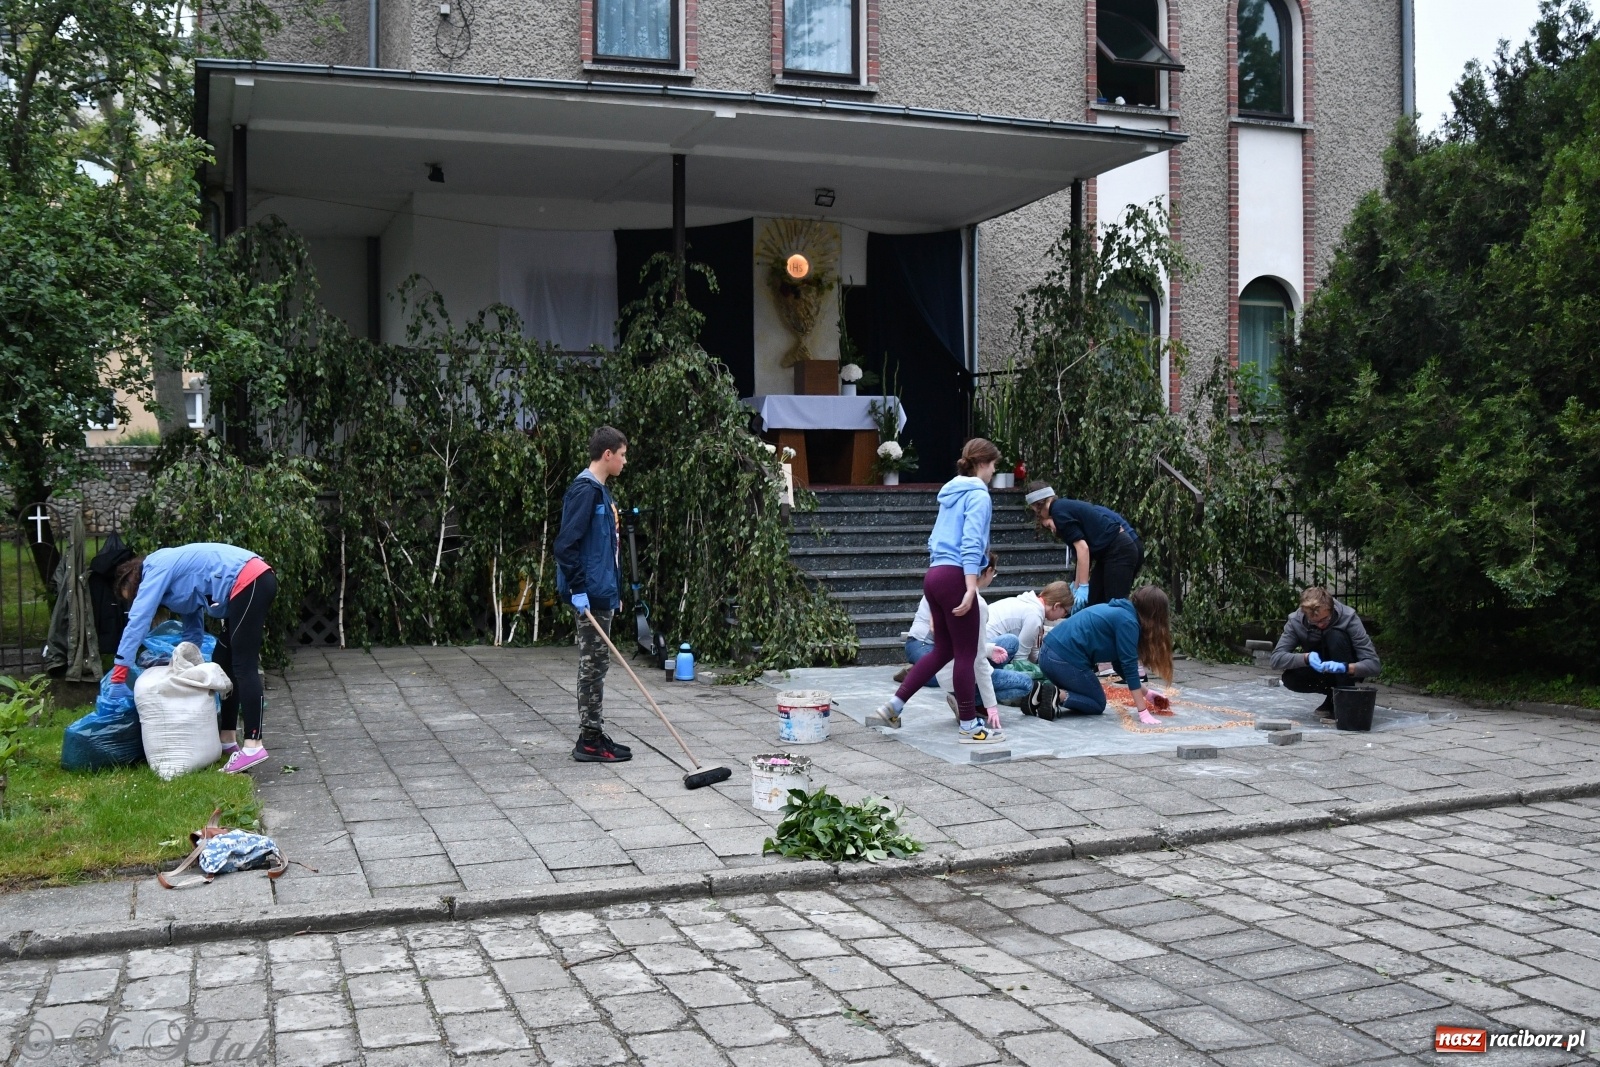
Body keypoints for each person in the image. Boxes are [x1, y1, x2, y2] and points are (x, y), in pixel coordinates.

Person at [869, 438, 1003, 744]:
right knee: (967, 654)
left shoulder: (951, 494)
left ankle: (894, 705)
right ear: (982, 463)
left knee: (944, 650)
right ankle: (969, 726)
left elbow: (935, 539)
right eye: (994, 464)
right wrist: (971, 586)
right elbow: (972, 543)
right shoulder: (979, 496)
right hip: (956, 576)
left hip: (935, 575)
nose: (995, 471)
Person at [109, 543, 277, 774]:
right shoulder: (174, 579)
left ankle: (253, 745)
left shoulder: (155, 569)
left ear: (136, 582)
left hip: (250, 581)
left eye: (135, 596)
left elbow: (138, 620)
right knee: (223, 661)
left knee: (243, 665)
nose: (136, 600)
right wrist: (188, 661)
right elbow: (193, 626)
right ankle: (227, 740)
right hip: (250, 582)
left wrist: (120, 672)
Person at [554, 426, 634, 764]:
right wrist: (578, 590)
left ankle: (595, 731)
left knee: (597, 666)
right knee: (591, 667)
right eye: (623, 455)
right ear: (607, 455)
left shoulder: (603, 493)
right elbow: (566, 545)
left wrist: (614, 592)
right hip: (588, 595)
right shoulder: (584, 491)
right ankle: (588, 740)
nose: (625, 461)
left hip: (603, 593)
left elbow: (606, 549)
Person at [1034, 585, 1174, 721]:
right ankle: (1057, 696)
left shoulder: (1123, 612)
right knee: (1096, 703)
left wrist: (1147, 694)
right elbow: (1130, 668)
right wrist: (1143, 711)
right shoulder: (1128, 622)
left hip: (1047, 655)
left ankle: (1039, 697)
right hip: (1062, 660)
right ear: (1155, 615)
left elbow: (1120, 665)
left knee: (1087, 695)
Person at [1024, 483, 1143, 610]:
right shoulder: (1062, 507)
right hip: (1109, 553)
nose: (1052, 530)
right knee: (1094, 602)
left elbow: (1083, 549)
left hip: (1119, 550)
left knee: (1115, 606)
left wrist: (1083, 586)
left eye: (1035, 511)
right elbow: (1082, 557)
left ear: (1038, 505)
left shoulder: (1058, 512)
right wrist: (1075, 588)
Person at [1269, 586, 1381, 715]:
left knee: (1336, 636)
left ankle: (1345, 698)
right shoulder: (1295, 621)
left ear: (1332, 609)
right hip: (1320, 666)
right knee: (1291, 678)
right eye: (1314, 622)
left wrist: (1346, 667)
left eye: (1325, 619)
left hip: (1345, 664)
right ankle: (1331, 696)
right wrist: (1306, 657)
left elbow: (1374, 665)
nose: (1321, 625)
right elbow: (1276, 659)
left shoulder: (1349, 617)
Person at [985, 582, 1073, 665]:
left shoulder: (1032, 606)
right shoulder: (1034, 616)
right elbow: (1020, 659)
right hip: (986, 650)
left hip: (982, 645)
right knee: (1024, 679)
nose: (1064, 615)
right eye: (1066, 612)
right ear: (1056, 606)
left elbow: (1033, 653)